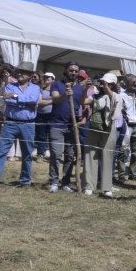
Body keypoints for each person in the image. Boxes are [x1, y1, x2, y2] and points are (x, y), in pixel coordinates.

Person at [0, 64, 41, 187]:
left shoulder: (36, 88)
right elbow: (7, 99)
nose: (20, 74)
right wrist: (24, 101)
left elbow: (33, 100)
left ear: (31, 75)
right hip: (10, 123)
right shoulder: (10, 86)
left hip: (28, 124)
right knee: (1, 151)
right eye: (19, 71)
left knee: (27, 153)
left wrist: (16, 97)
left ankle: (25, 180)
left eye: (24, 72)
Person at [47, 62, 91, 193]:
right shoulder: (57, 84)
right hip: (57, 125)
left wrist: (91, 95)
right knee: (56, 154)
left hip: (72, 125)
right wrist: (65, 93)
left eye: (76, 71)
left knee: (70, 156)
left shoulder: (80, 87)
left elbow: (83, 102)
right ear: (65, 70)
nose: (73, 73)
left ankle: (65, 182)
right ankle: (54, 182)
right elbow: (55, 99)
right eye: (71, 70)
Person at [85, 73, 123, 197]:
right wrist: (85, 90)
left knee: (107, 157)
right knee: (91, 156)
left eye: (105, 83)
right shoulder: (95, 95)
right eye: (102, 82)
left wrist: (108, 90)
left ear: (112, 84)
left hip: (109, 128)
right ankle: (89, 185)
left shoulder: (117, 96)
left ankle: (107, 187)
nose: (102, 85)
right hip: (94, 127)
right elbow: (84, 101)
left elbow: (115, 104)